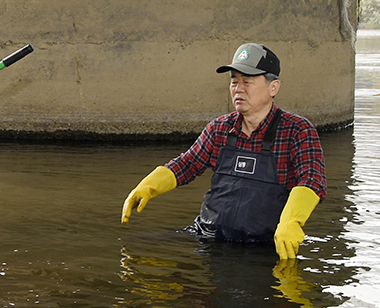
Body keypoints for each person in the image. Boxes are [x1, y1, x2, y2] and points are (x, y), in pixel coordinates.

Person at [120, 43, 325, 260]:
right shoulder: (220, 128)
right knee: (132, 253)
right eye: (234, 81)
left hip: (264, 246)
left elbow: (312, 180)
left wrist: (291, 222)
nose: (238, 88)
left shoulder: (297, 130)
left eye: (248, 81)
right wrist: (147, 188)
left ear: (273, 87)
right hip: (209, 238)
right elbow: (187, 164)